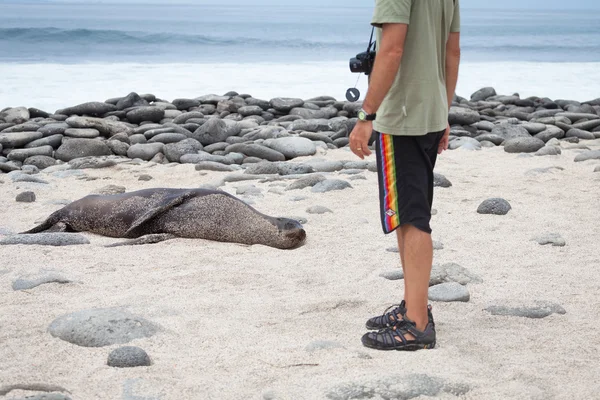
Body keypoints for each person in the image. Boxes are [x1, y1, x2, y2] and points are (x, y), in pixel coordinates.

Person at [348, 0, 461, 351]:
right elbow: (452, 52)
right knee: (409, 214)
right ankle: (413, 304)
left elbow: (392, 50)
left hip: (400, 118)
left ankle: (417, 325)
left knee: (411, 219)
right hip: (428, 113)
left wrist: (367, 115)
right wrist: (443, 111)